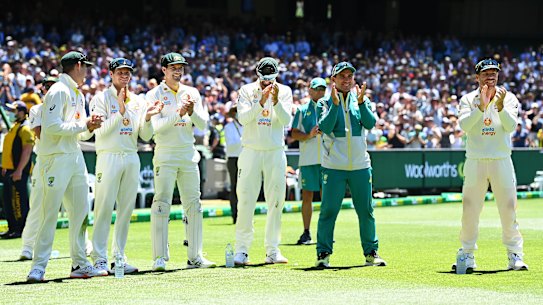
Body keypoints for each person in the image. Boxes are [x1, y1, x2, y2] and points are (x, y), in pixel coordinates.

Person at [26, 51, 106, 282]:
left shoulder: (76, 93)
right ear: (78, 65)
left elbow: (79, 132)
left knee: (80, 213)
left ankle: (80, 264)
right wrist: (84, 124)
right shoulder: (59, 90)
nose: (88, 72)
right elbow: (51, 127)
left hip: (74, 156)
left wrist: (90, 126)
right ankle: (38, 267)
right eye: (86, 67)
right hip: (55, 158)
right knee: (49, 214)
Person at [89, 58, 162, 274]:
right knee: (103, 208)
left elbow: (145, 136)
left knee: (125, 210)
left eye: (127, 72)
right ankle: (99, 259)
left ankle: (118, 257)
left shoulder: (138, 101)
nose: (124, 76)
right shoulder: (100, 98)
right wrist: (119, 111)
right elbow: (100, 131)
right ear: (111, 74)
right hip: (108, 155)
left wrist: (148, 118)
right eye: (120, 72)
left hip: (131, 155)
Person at [454, 58, 528, 272]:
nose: (491, 76)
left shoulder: (509, 98)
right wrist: (482, 107)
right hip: (475, 160)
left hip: (501, 160)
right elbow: (465, 125)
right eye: (486, 73)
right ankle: (467, 254)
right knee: (470, 209)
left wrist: (500, 106)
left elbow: (511, 126)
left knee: (508, 209)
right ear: (477, 77)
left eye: (494, 72)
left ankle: (515, 255)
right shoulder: (468, 99)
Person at [146, 52, 215, 271]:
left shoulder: (192, 92)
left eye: (180, 68)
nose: (178, 71)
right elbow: (154, 127)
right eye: (173, 67)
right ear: (164, 70)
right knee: (161, 203)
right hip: (165, 155)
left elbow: (204, 125)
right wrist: (179, 113)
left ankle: (195, 256)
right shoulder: (153, 94)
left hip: (187, 154)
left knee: (194, 205)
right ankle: (159, 258)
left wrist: (192, 111)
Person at [315, 62, 386, 267]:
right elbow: (325, 127)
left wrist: (363, 103)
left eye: (349, 76)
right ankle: (323, 254)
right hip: (333, 166)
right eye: (342, 76)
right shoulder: (325, 102)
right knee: (328, 211)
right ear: (333, 80)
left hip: (360, 166)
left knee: (365, 211)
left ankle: (371, 253)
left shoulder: (361, 99)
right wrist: (336, 105)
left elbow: (371, 124)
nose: (346, 79)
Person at [234, 57, 293, 265]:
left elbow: (287, 121)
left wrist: (275, 101)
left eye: (271, 80)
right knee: (246, 200)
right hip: (250, 151)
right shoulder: (246, 90)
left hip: (275, 151)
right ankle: (241, 250)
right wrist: (260, 101)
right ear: (257, 75)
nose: (267, 84)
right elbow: (243, 118)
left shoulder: (284, 91)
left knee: (276, 202)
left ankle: (273, 251)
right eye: (263, 80)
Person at [290, 77, 326, 245]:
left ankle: (325, 232)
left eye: (322, 89)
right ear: (310, 90)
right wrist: (309, 135)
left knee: (328, 198)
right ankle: (306, 232)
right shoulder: (302, 110)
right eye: (316, 89)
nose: (320, 92)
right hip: (308, 160)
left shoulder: (331, 108)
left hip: (328, 160)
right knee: (307, 197)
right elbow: (294, 134)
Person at [0, 101, 34, 239]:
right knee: (8, 201)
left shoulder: (25, 129)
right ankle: (12, 227)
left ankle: (21, 229)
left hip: (18, 171)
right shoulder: (15, 127)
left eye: (15, 110)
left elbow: (27, 150)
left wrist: (19, 170)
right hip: (9, 170)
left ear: (22, 111)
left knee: (18, 201)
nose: (12, 113)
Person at [224, 105, 243, 224]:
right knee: (235, 186)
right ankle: (235, 214)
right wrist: (244, 141)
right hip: (233, 158)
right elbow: (230, 144)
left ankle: (244, 215)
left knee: (246, 187)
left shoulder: (246, 126)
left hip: (245, 158)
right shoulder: (228, 127)